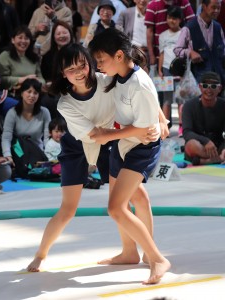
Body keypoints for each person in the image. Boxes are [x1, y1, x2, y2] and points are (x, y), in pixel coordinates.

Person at [26, 43, 169, 284]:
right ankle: (40, 254)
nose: (79, 71)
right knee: (68, 209)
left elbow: (143, 93)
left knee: (138, 198)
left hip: (113, 142)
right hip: (81, 145)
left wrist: (161, 119)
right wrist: (138, 130)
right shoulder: (65, 103)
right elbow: (95, 134)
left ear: (90, 62)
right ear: (63, 73)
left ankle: (138, 253)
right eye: (71, 69)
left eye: (82, 64)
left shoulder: (108, 80)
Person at [89, 28, 171, 284]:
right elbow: (151, 103)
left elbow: (145, 130)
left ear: (119, 55)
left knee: (116, 207)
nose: (99, 65)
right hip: (123, 143)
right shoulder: (121, 74)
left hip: (141, 148)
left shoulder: (140, 83)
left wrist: (106, 136)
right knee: (137, 196)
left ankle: (157, 258)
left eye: (101, 60)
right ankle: (130, 252)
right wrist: (162, 117)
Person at [1, 78, 51, 166]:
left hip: (38, 153)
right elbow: (6, 138)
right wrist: (7, 155)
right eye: (29, 91)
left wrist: (48, 156)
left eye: (35, 93)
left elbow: (47, 138)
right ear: (21, 93)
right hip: (18, 152)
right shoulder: (12, 112)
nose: (32, 95)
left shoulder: (44, 112)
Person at [174, 0, 225, 85]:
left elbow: (223, 50)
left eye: (218, 8)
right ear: (204, 6)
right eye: (213, 7)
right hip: (198, 81)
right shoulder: (189, 28)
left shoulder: (218, 27)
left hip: (218, 80)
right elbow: (177, 49)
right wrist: (189, 52)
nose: (216, 11)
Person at [182, 71, 225, 165]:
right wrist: (206, 141)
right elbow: (186, 132)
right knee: (191, 144)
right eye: (205, 86)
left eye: (213, 86)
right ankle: (218, 159)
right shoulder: (189, 105)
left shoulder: (223, 105)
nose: (209, 90)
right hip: (199, 146)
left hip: (218, 145)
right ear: (200, 87)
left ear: (219, 88)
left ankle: (204, 161)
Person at [0, 25, 45, 97]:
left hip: (33, 93)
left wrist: (37, 82)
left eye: (26, 38)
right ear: (13, 40)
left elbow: (41, 79)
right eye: (20, 38)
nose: (23, 41)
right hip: (13, 93)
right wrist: (23, 79)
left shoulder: (33, 57)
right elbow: (2, 79)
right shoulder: (5, 55)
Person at [40, 20, 75, 119]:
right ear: (53, 37)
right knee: (47, 101)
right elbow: (46, 77)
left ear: (70, 34)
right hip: (55, 91)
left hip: (75, 89)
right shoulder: (47, 56)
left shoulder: (79, 52)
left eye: (64, 33)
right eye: (58, 34)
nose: (61, 36)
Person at [144, 0, 195, 67]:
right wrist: (151, 56)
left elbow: (192, 25)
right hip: (160, 56)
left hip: (182, 59)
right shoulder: (152, 5)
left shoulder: (184, 2)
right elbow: (149, 32)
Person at [158, 6, 183, 133]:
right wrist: (160, 69)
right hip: (166, 70)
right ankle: (164, 127)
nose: (171, 21)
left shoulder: (184, 33)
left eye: (174, 18)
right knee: (167, 100)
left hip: (180, 70)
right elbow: (161, 53)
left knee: (180, 99)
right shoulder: (162, 36)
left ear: (180, 20)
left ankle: (182, 128)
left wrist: (185, 71)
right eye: (169, 18)